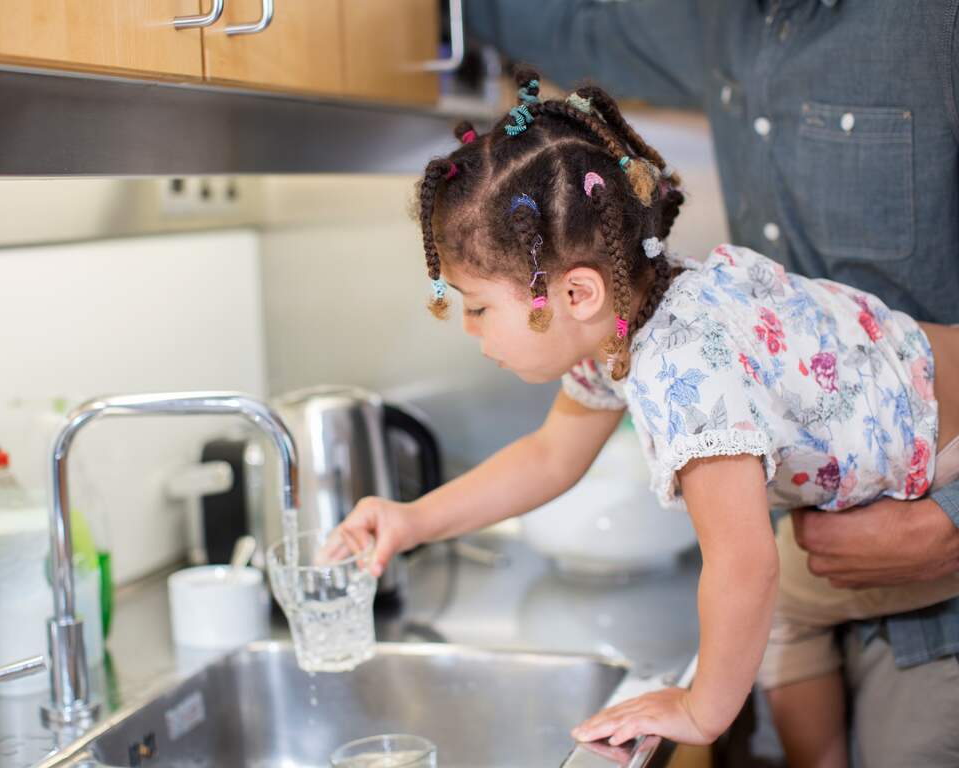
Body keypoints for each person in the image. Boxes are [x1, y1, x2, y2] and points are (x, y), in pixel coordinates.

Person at [329, 71, 959, 767]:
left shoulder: (684, 368)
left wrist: (701, 709)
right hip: (922, 431)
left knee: (775, 608)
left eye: (478, 307)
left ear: (576, 290)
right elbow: (549, 457)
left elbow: (742, 564)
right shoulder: (624, 325)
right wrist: (412, 520)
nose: (473, 333)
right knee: (785, 618)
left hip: (948, 446)